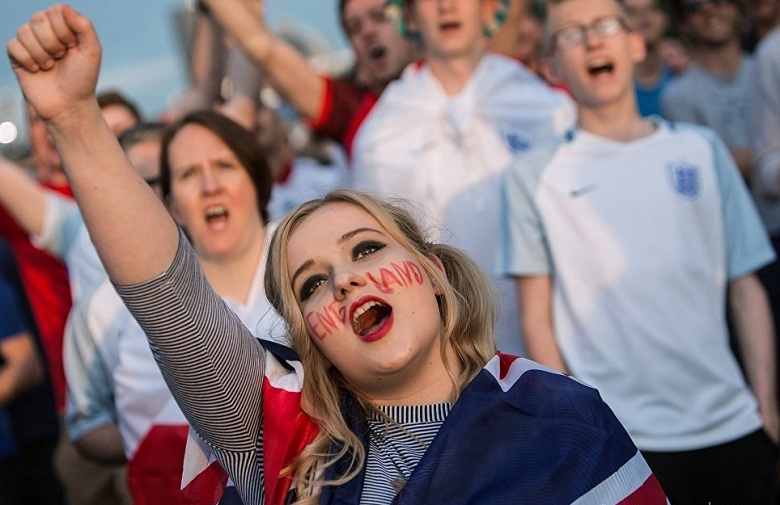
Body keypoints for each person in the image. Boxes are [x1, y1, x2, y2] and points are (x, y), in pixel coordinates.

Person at [7, 5, 671, 505]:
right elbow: (171, 297)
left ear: (436, 273)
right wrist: (74, 119)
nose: (346, 280)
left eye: (367, 248)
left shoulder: (563, 422)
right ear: (309, 340)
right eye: (311, 284)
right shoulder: (287, 446)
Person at [500, 0, 779, 501]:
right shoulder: (531, 177)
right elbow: (537, 320)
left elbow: (745, 287)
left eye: (606, 25)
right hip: (620, 440)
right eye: (571, 33)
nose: (592, 40)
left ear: (636, 43)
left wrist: (765, 404)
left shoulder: (701, 149)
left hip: (732, 425)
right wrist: (578, 430)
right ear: (552, 66)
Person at [351, 0, 575, 356]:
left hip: (549, 350)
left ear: (489, 8)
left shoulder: (546, 109)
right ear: (408, 15)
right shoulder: (380, 136)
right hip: (443, 355)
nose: (446, 6)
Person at [201, 0, 419, 156]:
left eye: (380, 17)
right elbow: (264, 49)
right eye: (355, 28)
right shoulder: (351, 108)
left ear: (411, 18)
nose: (368, 32)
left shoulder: (439, 80)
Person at [661, 0, 753, 179]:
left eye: (718, 1)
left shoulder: (767, 67)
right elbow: (701, 165)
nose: (709, 11)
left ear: (737, 9)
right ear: (683, 24)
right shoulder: (677, 95)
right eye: (695, 7)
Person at [620, 0, 675, 116]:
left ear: (666, 17)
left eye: (652, 9)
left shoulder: (684, 72)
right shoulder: (611, 86)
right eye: (633, 12)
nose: (644, 19)